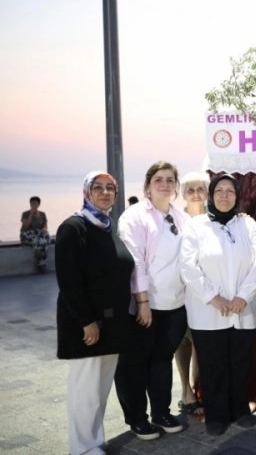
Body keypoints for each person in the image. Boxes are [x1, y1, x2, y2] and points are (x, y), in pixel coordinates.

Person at [180, 174, 256, 436]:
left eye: (230, 190)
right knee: (212, 365)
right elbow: (188, 266)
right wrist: (213, 297)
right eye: (219, 190)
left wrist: (243, 296)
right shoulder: (196, 226)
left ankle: (240, 410)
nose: (224, 195)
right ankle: (216, 415)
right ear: (211, 195)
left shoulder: (247, 224)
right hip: (208, 311)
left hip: (242, 309)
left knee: (239, 363)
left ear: (237, 195)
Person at [55, 171, 134, 455]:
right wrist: (87, 321)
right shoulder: (74, 227)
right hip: (87, 326)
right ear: (86, 192)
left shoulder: (106, 226)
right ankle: (81, 448)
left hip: (111, 325)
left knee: (99, 391)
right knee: (84, 390)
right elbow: (69, 280)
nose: (104, 192)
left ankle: (93, 442)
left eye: (110, 188)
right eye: (97, 187)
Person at [114, 161, 189, 440]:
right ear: (148, 185)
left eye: (170, 180)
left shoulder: (181, 218)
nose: (165, 185)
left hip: (175, 305)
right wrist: (142, 302)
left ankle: (161, 412)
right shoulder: (134, 216)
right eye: (159, 179)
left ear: (176, 186)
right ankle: (137, 418)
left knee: (161, 361)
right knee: (134, 363)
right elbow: (135, 262)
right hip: (145, 306)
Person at [172, 171, 209, 418]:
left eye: (200, 189)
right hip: (178, 290)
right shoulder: (175, 220)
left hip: (206, 291)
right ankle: (186, 390)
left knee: (201, 343)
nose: (195, 194)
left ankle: (199, 389)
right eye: (190, 189)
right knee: (181, 341)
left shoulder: (213, 219)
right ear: (183, 193)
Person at [20, 195, 51, 267]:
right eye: (32, 203)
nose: (33, 205)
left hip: (38, 233)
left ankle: (40, 258)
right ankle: (39, 259)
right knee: (37, 240)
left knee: (47, 239)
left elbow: (45, 226)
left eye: (35, 203)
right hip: (26, 234)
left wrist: (44, 230)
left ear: (38, 204)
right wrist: (31, 214)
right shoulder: (25, 214)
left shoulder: (42, 214)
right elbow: (26, 226)